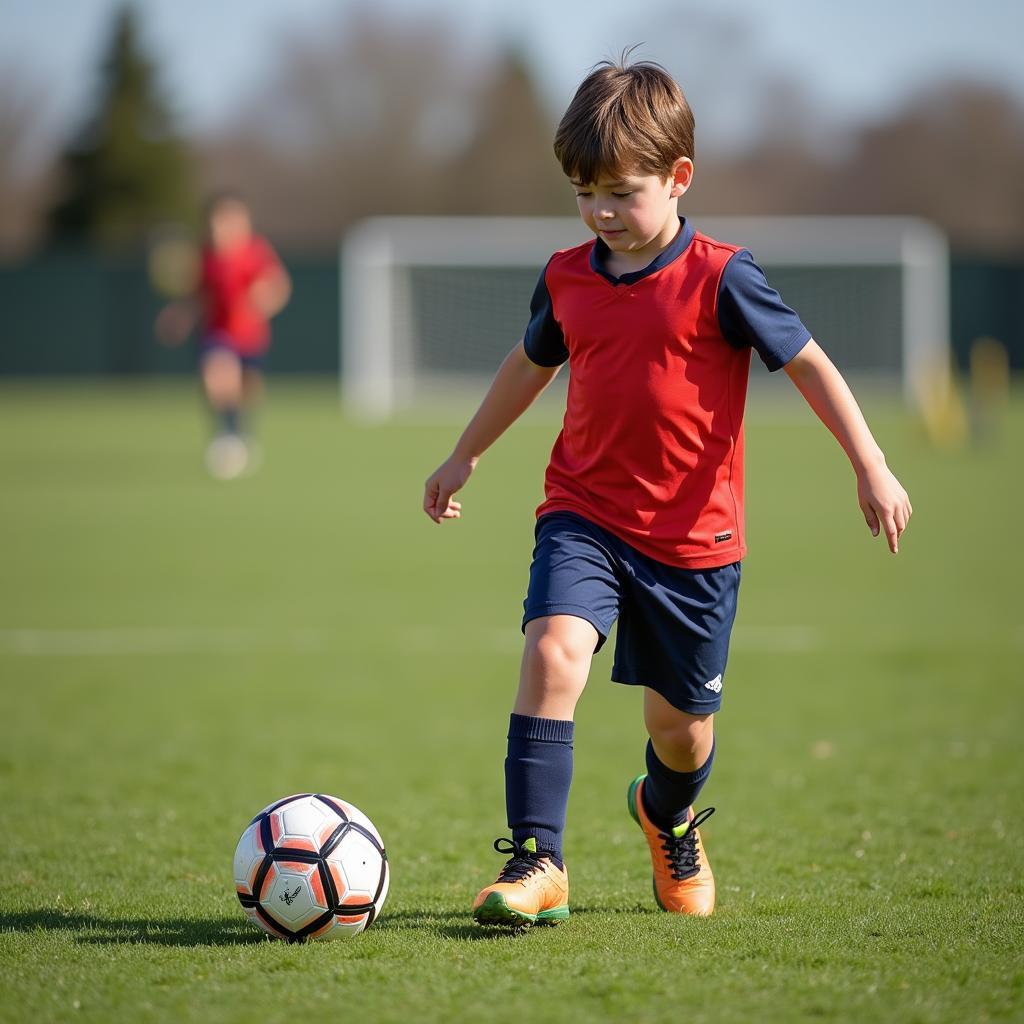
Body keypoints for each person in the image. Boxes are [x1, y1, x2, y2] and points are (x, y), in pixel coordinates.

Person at [423, 56, 912, 928]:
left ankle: (667, 813)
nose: (601, 212)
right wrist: (465, 455)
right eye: (583, 192)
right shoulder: (569, 276)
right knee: (551, 653)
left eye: (620, 191)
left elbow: (809, 365)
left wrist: (870, 463)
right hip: (583, 516)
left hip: (695, 547)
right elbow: (528, 366)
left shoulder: (725, 277)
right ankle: (539, 860)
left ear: (679, 178)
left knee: (679, 732)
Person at [157, 191, 291, 479]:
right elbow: (198, 296)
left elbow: (278, 286)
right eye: (219, 220)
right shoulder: (205, 257)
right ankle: (224, 437)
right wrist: (179, 316)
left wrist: (263, 298)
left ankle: (243, 433)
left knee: (246, 390)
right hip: (216, 334)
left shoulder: (255, 252)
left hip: (251, 337)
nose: (224, 227)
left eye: (232, 220)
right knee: (217, 379)